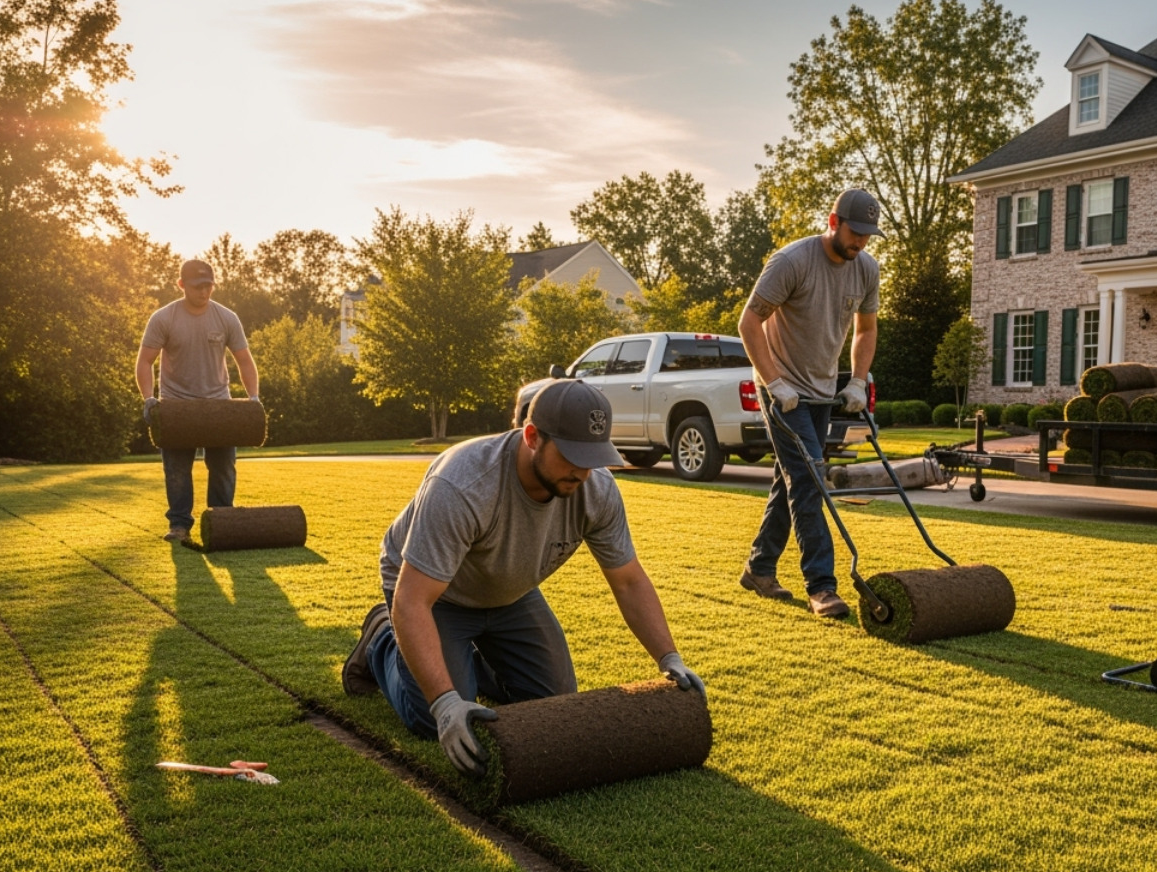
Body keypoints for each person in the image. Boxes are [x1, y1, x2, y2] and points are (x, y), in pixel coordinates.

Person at [340, 378, 705, 776]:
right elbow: (413, 601)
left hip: (509, 590)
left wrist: (669, 658)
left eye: (592, 456)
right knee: (434, 718)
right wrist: (445, 703)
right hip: (436, 594)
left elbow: (629, 580)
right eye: (571, 455)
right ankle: (381, 639)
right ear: (532, 436)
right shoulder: (463, 484)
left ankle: (464, 657)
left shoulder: (595, 489)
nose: (582, 471)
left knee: (553, 708)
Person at [737, 188, 882, 618]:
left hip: (822, 390)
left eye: (868, 235)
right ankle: (822, 586)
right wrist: (775, 382)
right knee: (810, 479)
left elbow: (866, 331)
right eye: (855, 232)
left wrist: (856, 381)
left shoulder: (866, 270)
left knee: (793, 479)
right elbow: (749, 323)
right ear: (833, 220)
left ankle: (759, 568)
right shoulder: (792, 261)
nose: (860, 242)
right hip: (782, 391)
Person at [135, 258, 259, 542]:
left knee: (223, 467)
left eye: (208, 286)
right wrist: (149, 398)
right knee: (177, 469)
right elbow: (144, 362)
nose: (204, 292)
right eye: (197, 286)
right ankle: (180, 526)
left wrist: (253, 398)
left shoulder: (227, 318)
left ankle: (222, 521)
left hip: (218, 403)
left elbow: (245, 361)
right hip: (176, 405)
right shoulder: (164, 318)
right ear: (181, 285)